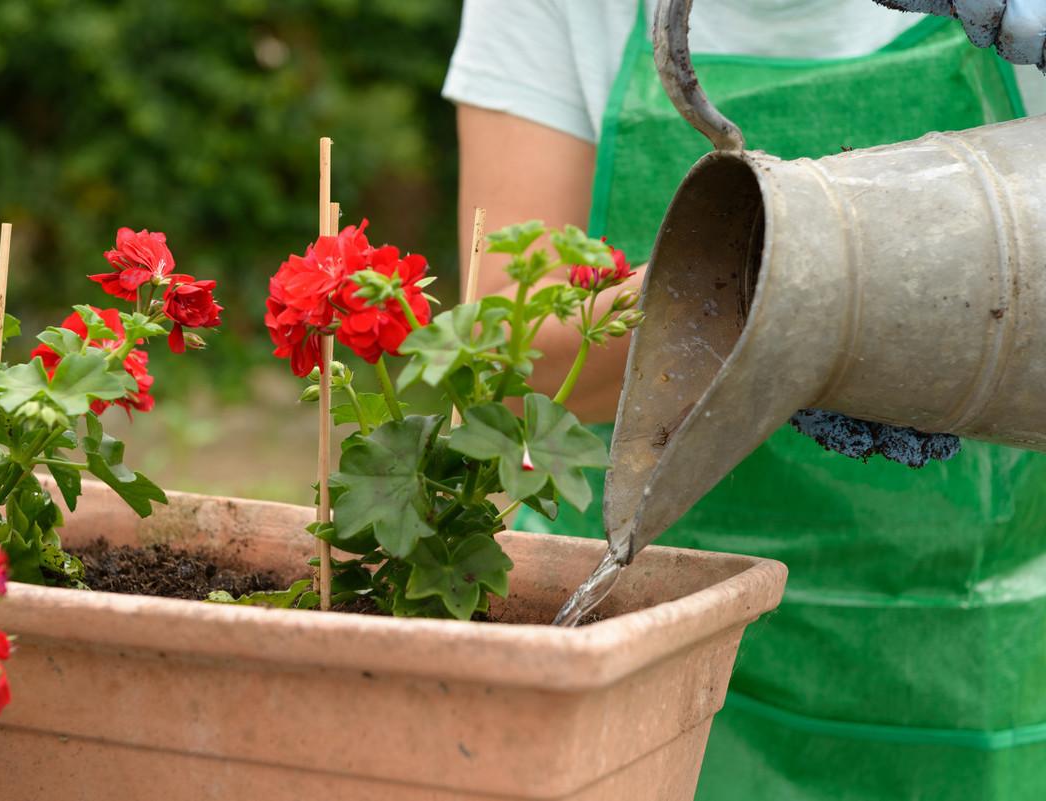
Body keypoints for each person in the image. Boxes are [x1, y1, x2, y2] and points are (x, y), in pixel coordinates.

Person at [444, 2, 1046, 800]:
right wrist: (788, 287)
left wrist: (914, 297)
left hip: (951, 660)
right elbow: (521, 355)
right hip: (638, 637)